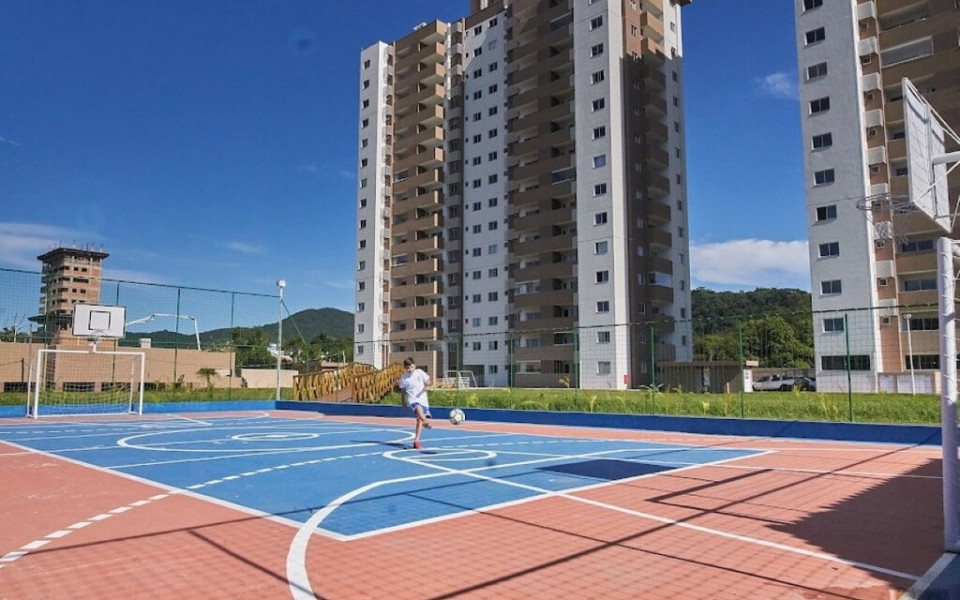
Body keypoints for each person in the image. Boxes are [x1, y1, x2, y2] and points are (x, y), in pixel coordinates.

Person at [398, 357, 432, 450]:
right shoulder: (404, 377)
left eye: (412, 367)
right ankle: (426, 421)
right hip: (412, 399)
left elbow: (428, 381)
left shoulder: (420, 372)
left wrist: (428, 383)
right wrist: (403, 401)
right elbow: (403, 391)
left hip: (422, 398)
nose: (410, 369)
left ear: (414, 366)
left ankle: (416, 441)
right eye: (408, 368)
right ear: (405, 368)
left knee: (419, 420)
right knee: (418, 409)